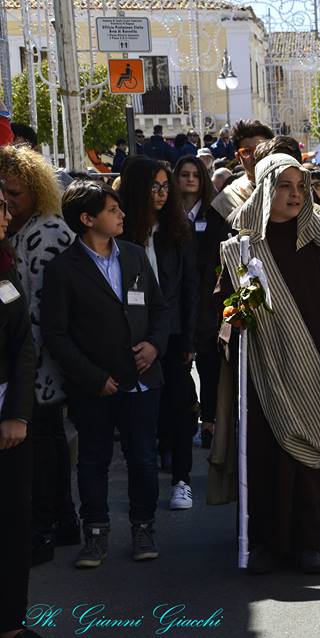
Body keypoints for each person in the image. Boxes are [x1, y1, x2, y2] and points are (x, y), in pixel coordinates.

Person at [218, 153, 320, 574]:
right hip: (263, 366)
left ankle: (307, 541)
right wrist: (232, 315)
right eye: (285, 186)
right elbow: (222, 303)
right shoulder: (240, 244)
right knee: (265, 454)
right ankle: (265, 542)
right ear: (265, 190)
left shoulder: (319, 239)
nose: (296, 195)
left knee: (309, 454)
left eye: (302, 187)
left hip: (311, 362)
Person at [42, 180, 170, 569]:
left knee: (144, 458)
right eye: (113, 210)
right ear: (87, 219)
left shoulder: (133, 255)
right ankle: (94, 533)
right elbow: (56, 334)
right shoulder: (63, 269)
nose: (122, 215)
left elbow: (160, 310)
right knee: (93, 460)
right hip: (94, 387)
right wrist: (93, 377)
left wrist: (154, 345)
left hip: (142, 381)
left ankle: (143, 527)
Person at [0, 145, 80, 566]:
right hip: (31, 359)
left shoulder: (45, 232)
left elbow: (42, 308)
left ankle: (46, 527)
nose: (8, 201)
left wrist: (22, 360)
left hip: (41, 362)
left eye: (14, 193)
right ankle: (63, 521)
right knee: (46, 443)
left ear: (35, 191)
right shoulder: (19, 229)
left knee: (43, 447)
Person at [119, 158, 197, 510]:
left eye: (167, 186)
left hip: (175, 336)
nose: (163, 194)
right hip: (133, 338)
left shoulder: (177, 232)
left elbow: (189, 290)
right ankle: (145, 487)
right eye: (155, 186)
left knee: (181, 407)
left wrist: (190, 340)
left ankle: (182, 480)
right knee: (141, 417)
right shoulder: (119, 234)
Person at [0, 185, 39, 638]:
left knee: (13, 519)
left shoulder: (6, 269)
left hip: (8, 418)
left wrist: (17, 414)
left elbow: (22, 347)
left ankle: (11, 622)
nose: (7, 216)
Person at [175, 155, 223, 451]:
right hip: (176, 298)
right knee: (179, 366)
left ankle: (209, 420)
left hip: (206, 299)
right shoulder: (168, 213)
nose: (190, 179)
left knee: (209, 364)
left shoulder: (212, 213)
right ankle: (188, 413)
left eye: (196, 174)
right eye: (184, 174)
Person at [210, 120, 273, 227]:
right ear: (238, 157)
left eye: (261, 149)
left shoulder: (292, 189)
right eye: (247, 151)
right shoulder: (224, 201)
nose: (255, 156)